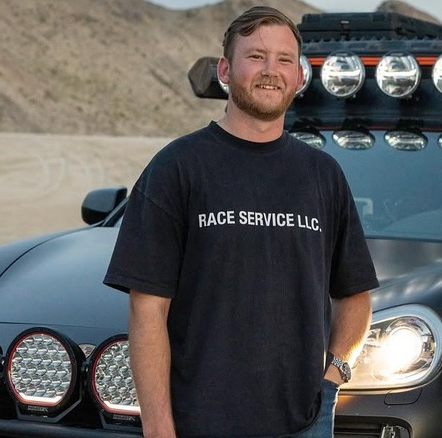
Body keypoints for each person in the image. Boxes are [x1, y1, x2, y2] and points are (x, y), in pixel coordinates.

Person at [104, 6, 378, 437]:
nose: (272, 71)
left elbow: (355, 296)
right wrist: (159, 428)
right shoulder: (178, 167)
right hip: (201, 424)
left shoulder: (322, 175)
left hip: (304, 424)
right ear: (226, 70)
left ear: (300, 77)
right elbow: (147, 311)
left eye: (285, 60)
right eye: (256, 56)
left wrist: (334, 377)